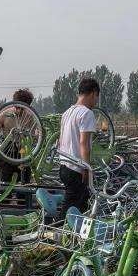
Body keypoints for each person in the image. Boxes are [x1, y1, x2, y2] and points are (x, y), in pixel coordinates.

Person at [57, 77, 99, 216]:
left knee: (83, 204)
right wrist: (87, 168)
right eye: (96, 97)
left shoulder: (66, 113)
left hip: (64, 166)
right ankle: (55, 228)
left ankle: (77, 229)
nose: (96, 102)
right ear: (93, 93)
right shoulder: (87, 113)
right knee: (69, 212)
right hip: (76, 169)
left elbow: (61, 140)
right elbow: (84, 143)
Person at [0, 88, 35, 184]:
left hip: (23, 150)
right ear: (14, 104)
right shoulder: (4, 114)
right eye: (17, 107)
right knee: (5, 181)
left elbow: (34, 133)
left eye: (22, 108)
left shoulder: (30, 116)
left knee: (25, 181)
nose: (19, 111)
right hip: (7, 150)